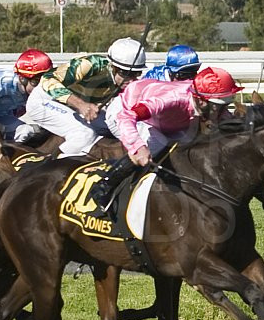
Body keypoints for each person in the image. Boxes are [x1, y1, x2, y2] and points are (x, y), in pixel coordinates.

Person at [92, 65, 244, 200]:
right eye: (220, 106)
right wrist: (138, 147)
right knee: (157, 145)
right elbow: (126, 117)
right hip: (126, 110)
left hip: (167, 119)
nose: (224, 112)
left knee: (190, 144)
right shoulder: (171, 100)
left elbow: (229, 125)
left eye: (226, 105)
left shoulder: (205, 102)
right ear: (202, 101)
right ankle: (106, 185)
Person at [22, 37, 147, 156]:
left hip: (72, 108)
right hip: (44, 101)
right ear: (113, 67)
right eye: (126, 73)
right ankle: (49, 165)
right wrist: (81, 104)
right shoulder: (91, 64)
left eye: (136, 73)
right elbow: (47, 79)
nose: (132, 80)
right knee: (84, 135)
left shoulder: (126, 83)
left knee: (118, 129)